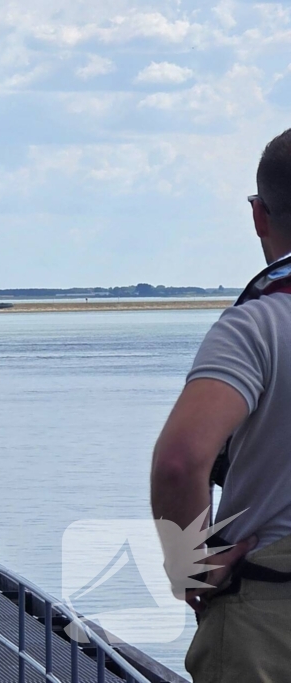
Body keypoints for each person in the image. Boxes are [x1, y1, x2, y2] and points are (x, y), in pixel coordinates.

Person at [151, 128, 291, 681]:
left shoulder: (259, 325)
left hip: (270, 617)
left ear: (260, 216)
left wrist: (186, 567)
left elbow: (180, 461)